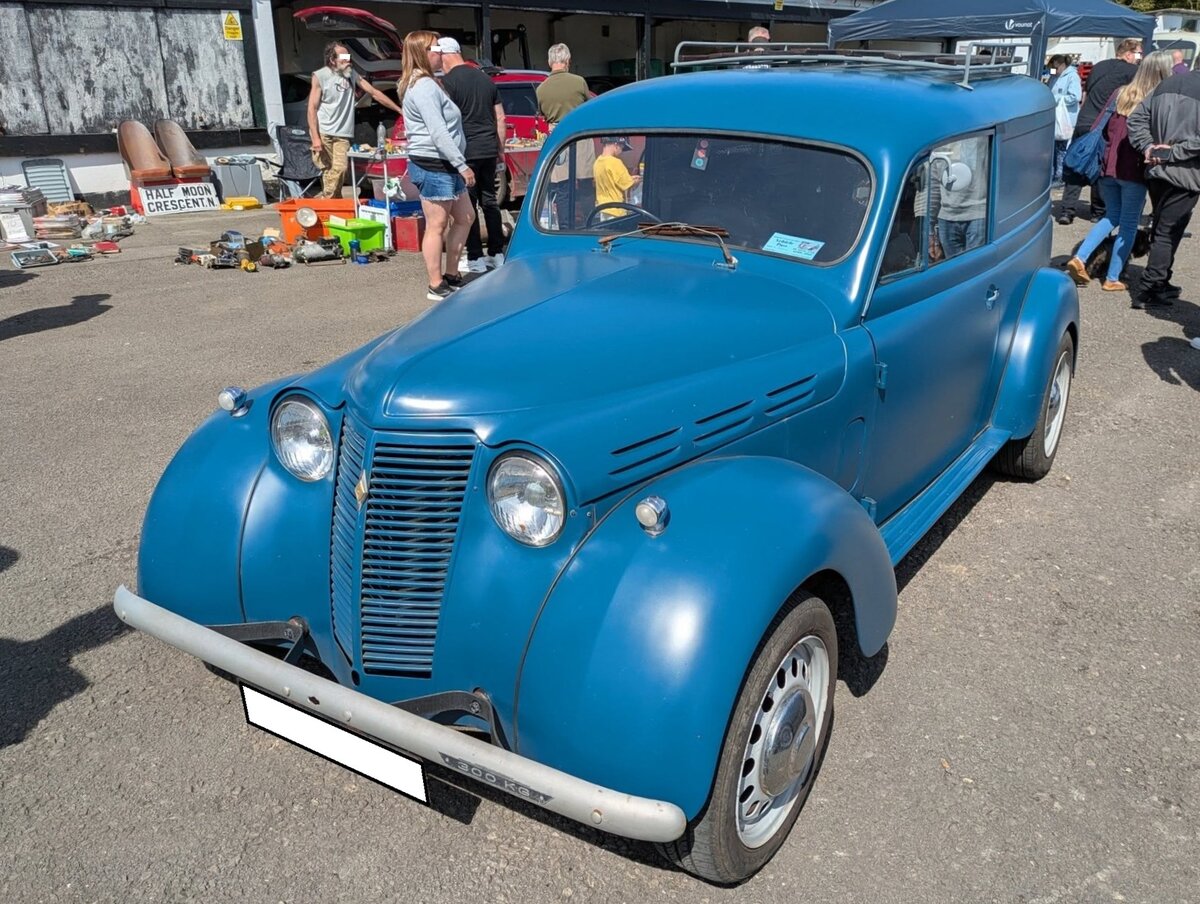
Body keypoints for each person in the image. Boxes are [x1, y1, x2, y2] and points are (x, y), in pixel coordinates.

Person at [1064, 51, 1174, 293]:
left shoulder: (1120, 93)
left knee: (1110, 216)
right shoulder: (1155, 99)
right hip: (1133, 171)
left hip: (1107, 167)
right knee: (1128, 224)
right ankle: (1112, 277)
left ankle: (1080, 258)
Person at [398, 30, 477, 302]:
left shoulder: (430, 83)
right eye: (435, 48)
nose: (440, 52)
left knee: (466, 216)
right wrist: (462, 165)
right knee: (437, 224)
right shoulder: (423, 86)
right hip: (434, 163)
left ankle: (452, 274)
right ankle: (436, 283)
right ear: (421, 53)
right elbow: (438, 131)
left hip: (446, 163)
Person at [1128, 65, 1200, 309]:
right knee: (1167, 232)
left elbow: (1136, 119)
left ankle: (1158, 281)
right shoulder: (1167, 84)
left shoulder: (1166, 84)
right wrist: (1164, 151)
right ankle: (1151, 286)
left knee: (1163, 227)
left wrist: (1149, 147)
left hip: (1157, 170)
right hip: (1184, 173)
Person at [438, 37, 507, 273]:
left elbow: (444, 122)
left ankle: (475, 257)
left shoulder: (447, 83)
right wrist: (500, 149)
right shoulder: (485, 78)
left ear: (446, 55)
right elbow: (501, 117)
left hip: (464, 151)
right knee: (490, 201)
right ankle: (497, 253)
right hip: (488, 148)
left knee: (469, 205)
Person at [1059, 38, 1142, 224]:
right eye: (1138, 53)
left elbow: (1087, 92)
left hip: (1084, 119)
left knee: (1076, 164)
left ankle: (1067, 210)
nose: (1139, 57)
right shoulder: (1133, 72)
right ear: (1128, 53)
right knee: (1100, 167)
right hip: (1103, 124)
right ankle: (1098, 211)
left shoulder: (1099, 66)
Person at [307, 42, 403, 199]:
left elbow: (374, 92)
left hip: (343, 134)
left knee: (341, 169)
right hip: (324, 132)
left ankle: (329, 202)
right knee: (330, 171)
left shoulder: (351, 74)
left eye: (348, 57)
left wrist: (399, 109)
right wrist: (315, 138)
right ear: (332, 60)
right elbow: (312, 108)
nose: (348, 61)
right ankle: (332, 206)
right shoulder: (320, 76)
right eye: (344, 58)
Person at [537, 44, 594, 225]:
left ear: (549, 62)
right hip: (581, 134)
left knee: (562, 187)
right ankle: (588, 223)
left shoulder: (541, 88)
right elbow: (589, 106)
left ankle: (564, 225)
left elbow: (543, 114)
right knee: (585, 184)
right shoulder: (578, 82)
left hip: (558, 137)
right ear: (568, 61)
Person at [930, 137, 988, 258]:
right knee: (954, 270)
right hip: (946, 217)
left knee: (974, 267)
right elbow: (932, 184)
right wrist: (929, 231)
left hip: (978, 213)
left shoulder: (982, 135)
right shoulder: (938, 139)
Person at [1048, 55, 1081, 187]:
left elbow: (1075, 96)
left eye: (1054, 68)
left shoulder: (1072, 76)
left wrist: (1057, 98)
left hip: (1066, 119)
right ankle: (1052, 174)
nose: (1052, 71)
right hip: (1055, 117)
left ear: (1061, 65)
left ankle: (1060, 176)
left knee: (1062, 149)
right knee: (1053, 149)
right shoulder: (1054, 75)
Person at [593, 137, 640, 220]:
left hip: (602, 209)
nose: (621, 151)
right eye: (622, 148)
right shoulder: (615, 163)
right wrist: (636, 180)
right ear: (616, 145)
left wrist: (629, 178)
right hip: (616, 210)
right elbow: (626, 184)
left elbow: (612, 180)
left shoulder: (598, 162)